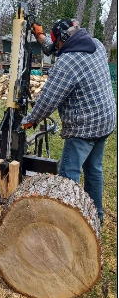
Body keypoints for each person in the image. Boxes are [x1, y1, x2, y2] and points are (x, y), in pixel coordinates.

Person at [21, 19, 116, 224]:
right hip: (106, 119)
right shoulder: (95, 44)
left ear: (64, 39)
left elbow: (49, 99)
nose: (56, 46)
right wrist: (40, 36)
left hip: (85, 126)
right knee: (94, 169)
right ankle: (96, 216)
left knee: (68, 174)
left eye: (57, 41)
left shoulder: (68, 62)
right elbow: (57, 47)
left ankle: (64, 223)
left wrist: (30, 120)